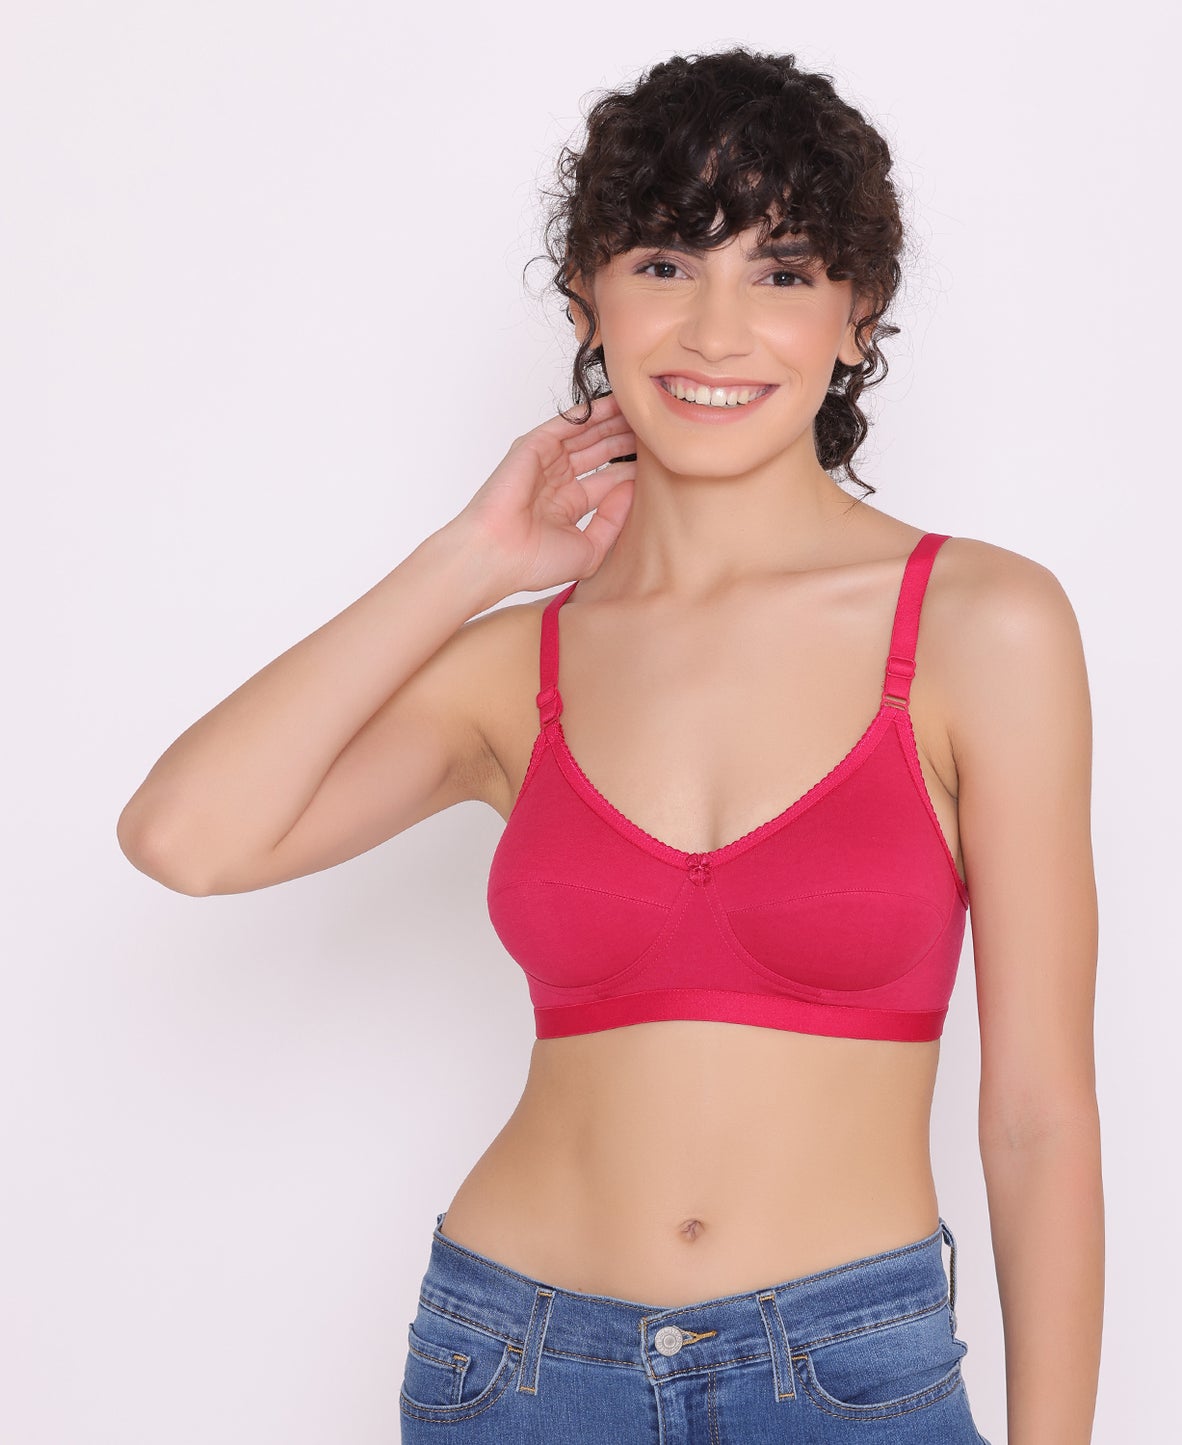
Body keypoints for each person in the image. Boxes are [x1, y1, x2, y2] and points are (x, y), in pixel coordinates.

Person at [117, 47, 1102, 1444]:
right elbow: (185, 839)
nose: (716, 328)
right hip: (516, 1366)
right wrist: (468, 558)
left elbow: (1039, 1116)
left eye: (780, 271)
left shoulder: (980, 625)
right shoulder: (515, 668)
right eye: (663, 264)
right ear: (588, 300)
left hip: (844, 1377)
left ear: (856, 318)